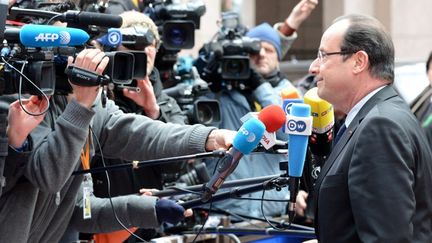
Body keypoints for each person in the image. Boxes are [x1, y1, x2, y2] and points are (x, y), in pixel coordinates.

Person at [0, 46, 234, 243]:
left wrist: (210, 138)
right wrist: (80, 105)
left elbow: (82, 210)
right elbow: (48, 175)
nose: (94, 62)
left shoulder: (88, 105)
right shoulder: (16, 100)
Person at [305, 14, 432, 242]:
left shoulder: (380, 126)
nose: (313, 67)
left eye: (323, 55)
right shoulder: (376, 116)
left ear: (358, 61)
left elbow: (387, 237)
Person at [197, 0, 318, 218]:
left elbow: (289, 135)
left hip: (271, 210)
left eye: (269, 49)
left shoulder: (289, 93)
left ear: (279, 57)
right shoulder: (223, 91)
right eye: (255, 50)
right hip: (225, 210)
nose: (262, 54)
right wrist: (210, 76)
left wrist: (259, 85)